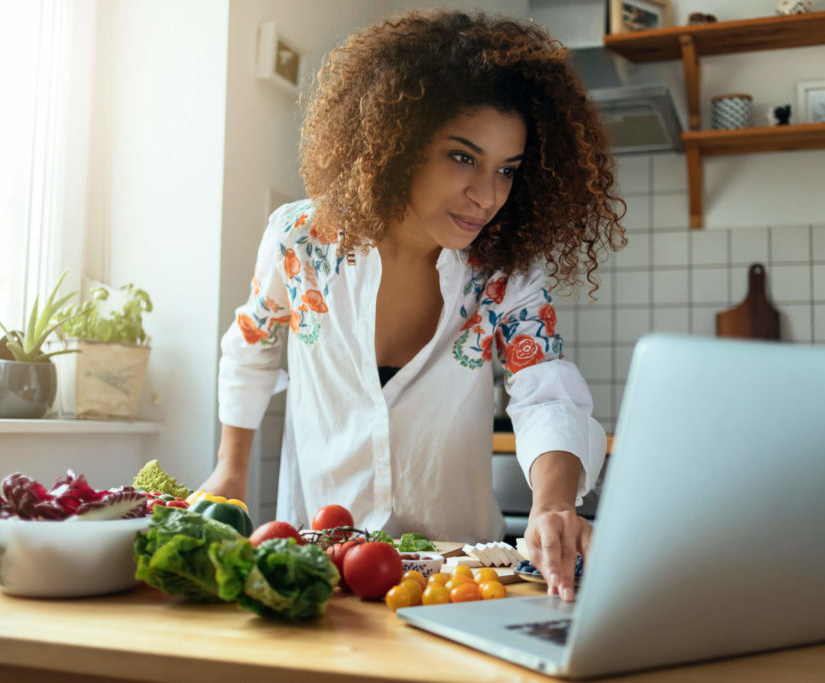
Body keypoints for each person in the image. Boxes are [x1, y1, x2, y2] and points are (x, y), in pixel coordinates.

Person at [200, 8, 626, 601]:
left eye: (507, 170)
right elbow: (251, 343)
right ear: (398, 141)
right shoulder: (300, 240)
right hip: (320, 568)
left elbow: (545, 386)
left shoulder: (503, 274)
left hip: (460, 579)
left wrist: (553, 503)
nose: (487, 195)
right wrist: (230, 469)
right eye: (462, 157)